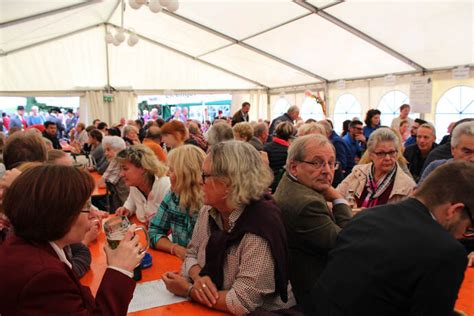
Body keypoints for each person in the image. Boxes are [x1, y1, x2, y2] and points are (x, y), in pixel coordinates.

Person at [306, 161, 474, 315]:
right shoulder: (447, 252)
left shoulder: (367, 216)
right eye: (468, 229)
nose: (462, 235)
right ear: (454, 211)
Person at [162, 141, 296, 314]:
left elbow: (241, 302)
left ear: (228, 183)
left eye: (204, 175)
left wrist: (188, 289)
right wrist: (199, 277)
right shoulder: (209, 209)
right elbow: (191, 253)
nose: (198, 180)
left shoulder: (259, 227)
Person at [0, 165, 143, 315]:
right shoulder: (43, 277)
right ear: (60, 214)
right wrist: (119, 269)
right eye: (87, 206)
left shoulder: (26, 244)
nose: (94, 213)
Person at [273, 134, 352, 305]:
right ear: (294, 167)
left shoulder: (290, 183)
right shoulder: (307, 204)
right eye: (317, 163)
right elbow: (347, 243)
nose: (327, 170)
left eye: (331, 163)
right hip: (319, 294)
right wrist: (339, 198)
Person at [149, 145, 205, 259]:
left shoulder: (210, 205)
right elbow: (154, 231)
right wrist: (176, 249)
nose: (168, 174)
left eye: (172, 170)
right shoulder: (173, 195)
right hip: (180, 265)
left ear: (186, 174)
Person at [337, 128, 416, 208]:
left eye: (391, 152)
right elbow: (336, 197)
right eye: (381, 153)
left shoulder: (408, 187)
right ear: (371, 155)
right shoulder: (358, 173)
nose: (388, 158)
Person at [115, 145, 170, 224]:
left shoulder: (166, 187)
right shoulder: (135, 184)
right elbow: (132, 200)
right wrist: (127, 208)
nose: (121, 174)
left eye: (125, 169)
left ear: (143, 168)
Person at [264, 121, 296, 192]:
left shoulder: (266, 147)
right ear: (291, 135)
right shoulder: (290, 151)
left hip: (267, 182)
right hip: (283, 185)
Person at [101, 136, 130, 213]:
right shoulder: (122, 158)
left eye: (108, 150)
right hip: (126, 205)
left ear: (119, 149)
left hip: (127, 207)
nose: (105, 153)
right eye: (105, 150)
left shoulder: (117, 161)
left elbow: (101, 184)